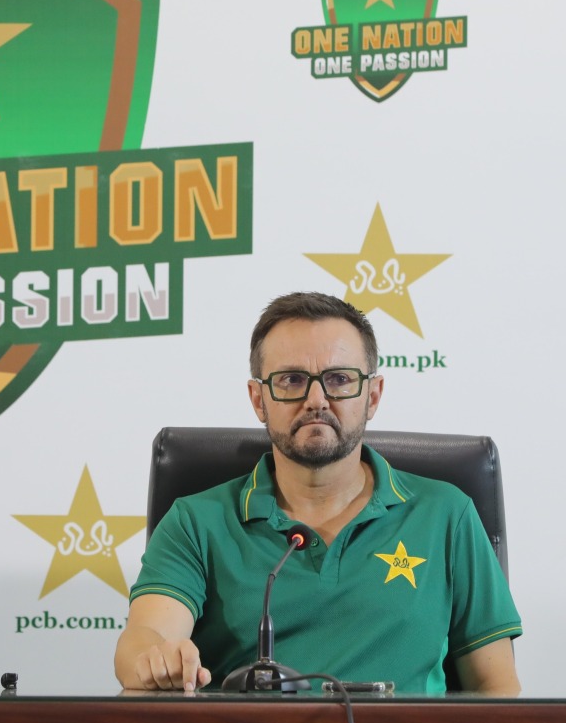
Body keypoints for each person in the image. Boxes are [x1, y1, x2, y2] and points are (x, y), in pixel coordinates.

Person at [114, 291, 521, 695]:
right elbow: (144, 636)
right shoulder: (195, 521)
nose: (316, 400)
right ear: (259, 400)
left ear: (373, 395)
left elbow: (496, 689)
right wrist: (155, 659)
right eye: (291, 380)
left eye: (339, 379)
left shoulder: (447, 515)